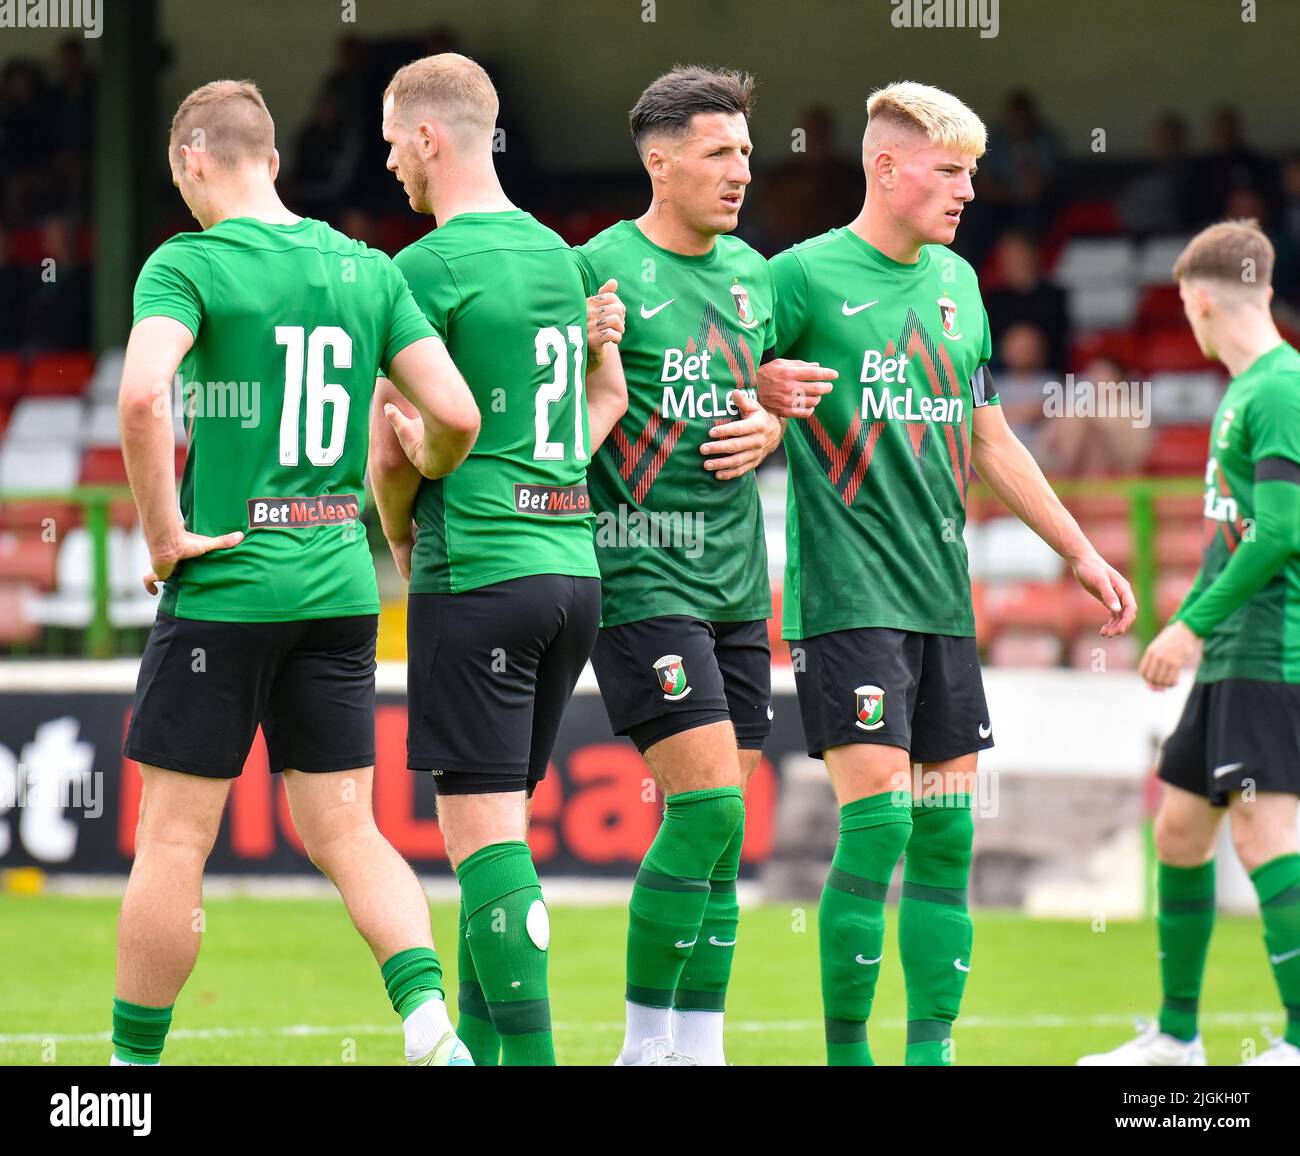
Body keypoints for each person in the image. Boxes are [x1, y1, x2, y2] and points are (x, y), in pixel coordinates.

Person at [759, 80, 1136, 1066]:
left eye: (973, 169)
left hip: (939, 601)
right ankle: (850, 1054)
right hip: (846, 599)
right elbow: (716, 368)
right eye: (950, 169)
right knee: (878, 826)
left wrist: (1079, 550)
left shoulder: (956, 285)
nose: (969, 188)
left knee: (944, 837)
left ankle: (928, 1055)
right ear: (887, 168)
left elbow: (989, 438)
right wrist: (755, 381)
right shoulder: (799, 277)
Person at [115, 80, 481, 1067]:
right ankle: (429, 1026)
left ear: (193, 162)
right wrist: (410, 478)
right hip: (338, 585)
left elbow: (146, 395)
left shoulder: (186, 263)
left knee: (175, 843)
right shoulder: (367, 268)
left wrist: (161, 533)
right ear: (273, 161)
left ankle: (128, 1075)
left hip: (229, 586)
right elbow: (452, 417)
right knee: (350, 832)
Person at [369, 53, 628, 1066]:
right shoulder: (563, 258)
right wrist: (549, 471)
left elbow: (401, 444)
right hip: (572, 574)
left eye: (394, 142)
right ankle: (482, 1047)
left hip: (476, 571)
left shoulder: (419, 270)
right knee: (503, 840)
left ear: (429, 136)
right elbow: (606, 399)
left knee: (484, 848)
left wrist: (399, 523)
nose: (390, 163)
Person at [575, 65, 799, 1067]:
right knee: (706, 805)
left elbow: (762, 394)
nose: (741, 170)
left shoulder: (756, 274)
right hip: (638, 571)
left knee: (721, 827)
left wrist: (769, 427)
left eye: (746, 151)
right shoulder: (596, 270)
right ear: (658, 162)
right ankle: (641, 1044)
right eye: (719, 152)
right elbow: (553, 415)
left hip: (738, 582)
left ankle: (698, 1049)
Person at [1080, 220, 1300, 1067]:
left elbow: (1280, 533)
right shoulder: (1246, 392)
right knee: (1178, 831)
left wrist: (1191, 625)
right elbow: (1230, 537)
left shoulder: (1277, 390)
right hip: (1233, 651)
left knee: (1262, 838)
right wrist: (1191, 621)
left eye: (1185, 307)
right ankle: (1177, 1037)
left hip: (1271, 649)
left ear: (1199, 301)